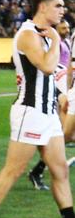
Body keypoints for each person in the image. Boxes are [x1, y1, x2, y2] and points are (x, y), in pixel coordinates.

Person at [0, 0, 75, 218]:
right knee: (14, 169)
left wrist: (60, 96)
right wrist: (53, 38)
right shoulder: (29, 34)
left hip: (48, 112)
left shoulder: (44, 35)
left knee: (60, 170)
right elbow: (48, 66)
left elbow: (52, 74)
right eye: (58, 5)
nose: (63, 10)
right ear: (43, 6)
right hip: (29, 112)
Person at [28, 18, 71, 189]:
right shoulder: (53, 44)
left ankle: (39, 170)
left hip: (65, 86)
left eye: (67, 27)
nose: (66, 29)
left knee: (64, 134)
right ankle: (38, 171)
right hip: (57, 86)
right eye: (63, 27)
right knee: (63, 134)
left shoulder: (66, 41)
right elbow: (48, 68)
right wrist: (60, 93)